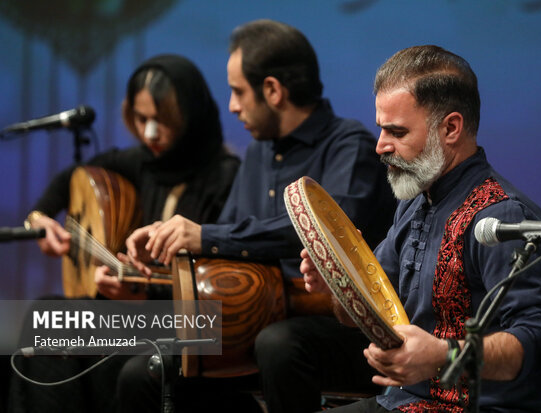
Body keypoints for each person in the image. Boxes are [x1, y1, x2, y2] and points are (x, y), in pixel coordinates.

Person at [120, 19, 397, 413]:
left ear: (272, 90)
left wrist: (205, 236)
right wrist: (146, 272)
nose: (232, 106)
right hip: (249, 322)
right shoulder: (257, 153)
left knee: (279, 344)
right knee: (140, 371)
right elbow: (226, 252)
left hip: (342, 328)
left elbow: (325, 233)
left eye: (238, 92)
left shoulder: (348, 145)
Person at [300, 45, 541, 412]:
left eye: (396, 131)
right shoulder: (413, 203)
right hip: (404, 403)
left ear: (451, 128)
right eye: (381, 129)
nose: (380, 146)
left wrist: (443, 355)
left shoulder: (501, 217)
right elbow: (363, 316)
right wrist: (337, 282)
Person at [9, 54, 240, 413]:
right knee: (47, 317)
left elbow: (222, 287)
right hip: (132, 312)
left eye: (162, 121)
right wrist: (39, 218)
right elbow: (71, 176)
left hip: (191, 327)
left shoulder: (226, 177)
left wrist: (144, 299)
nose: (150, 133)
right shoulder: (140, 162)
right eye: (141, 119)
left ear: (192, 117)